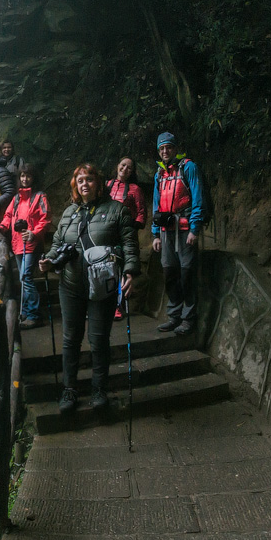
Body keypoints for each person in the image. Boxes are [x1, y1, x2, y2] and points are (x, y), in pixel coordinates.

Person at [40, 163, 139, 413]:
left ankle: (98, 389)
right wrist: (48, 261)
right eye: (80, 180)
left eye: (89, 179)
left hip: (102, 287)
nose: (85, 184)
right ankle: (69, 390)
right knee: (70, 339)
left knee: (98, 340)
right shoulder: (68, 213)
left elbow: (129, 244)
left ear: (99, 182)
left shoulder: (117, 211)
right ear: (76, 186)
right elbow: (57, 243)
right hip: (70, 285)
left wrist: (129, 272)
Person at [151, 132, 204, 336]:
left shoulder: (188, 167)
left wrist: (194, 229)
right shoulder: (159, 174)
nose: (165, 151)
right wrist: (155, 234)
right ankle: (174, 316)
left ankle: (188, 318)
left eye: (169, 147)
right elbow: (157, 204)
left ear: (175, 148)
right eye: (162, 148)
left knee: (187, 274)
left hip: (184, 229)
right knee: (170, 274)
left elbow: (197, 198)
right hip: (166, 231)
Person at [1, 163, 50, 329]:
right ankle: (29, 312)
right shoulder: (16, 198)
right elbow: (8, 215)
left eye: (28, 176)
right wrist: (1, 228)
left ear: (33, 178)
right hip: (17, 243)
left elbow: (45, 218)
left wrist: (34, 233)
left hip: (31, 243)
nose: (24, 179)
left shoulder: (39, 197)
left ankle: (33, 315)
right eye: (22, 176)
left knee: (25, 278)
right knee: (24, 279)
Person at [107, 157, 147, 319]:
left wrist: (132, 228)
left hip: (124, 236)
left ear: (132, 172)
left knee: (121, 269)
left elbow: (141, 212)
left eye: (129, 168)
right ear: (117, 166)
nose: (125, 169)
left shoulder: (135, 189)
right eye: (123, 165)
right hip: (106, 233)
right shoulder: (107, 185)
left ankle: (118, 305)